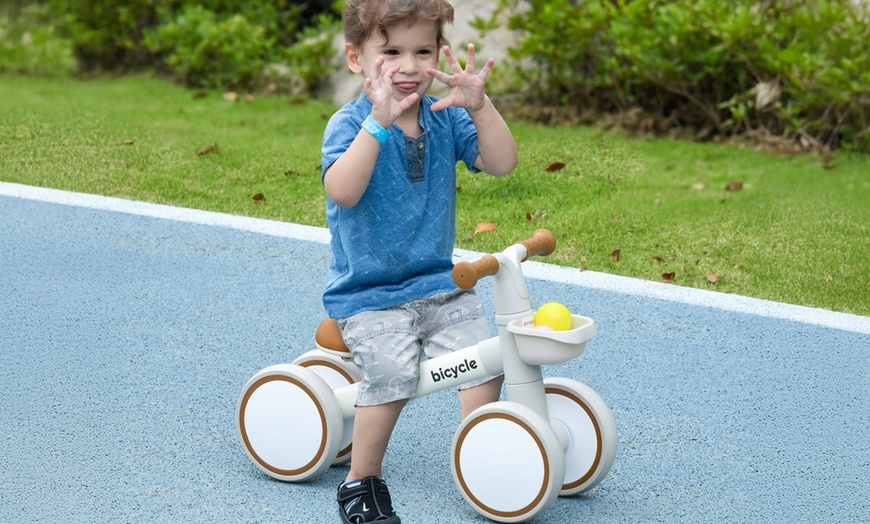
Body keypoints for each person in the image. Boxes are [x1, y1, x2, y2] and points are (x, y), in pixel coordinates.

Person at [321, 0, 517, 522]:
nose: (408, 66)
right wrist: (378, 123)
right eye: (391, 52)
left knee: (487, 357)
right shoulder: (350, 123)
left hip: (438, 284)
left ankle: (483, 458)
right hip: (370, 294)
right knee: (392, 371)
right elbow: (342, 191)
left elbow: (502, 162)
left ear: (439, 53)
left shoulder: (444, 117)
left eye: (423, 51)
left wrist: (479, 106)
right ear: (357, 58)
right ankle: (361, 480)